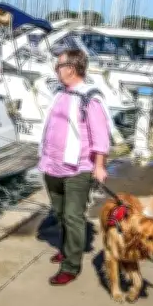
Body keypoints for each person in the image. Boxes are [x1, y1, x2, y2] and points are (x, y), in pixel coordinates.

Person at [38, 48, 110, 285]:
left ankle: (71, 265)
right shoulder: (61, 93)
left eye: (58, 65)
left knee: (72, 215)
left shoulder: (89, 98)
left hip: (77, 168)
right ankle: (67, 248)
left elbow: (100, 136)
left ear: (70, 68)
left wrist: (99, 166)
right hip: (53, 165)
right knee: (59, 213)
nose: (55, 70)